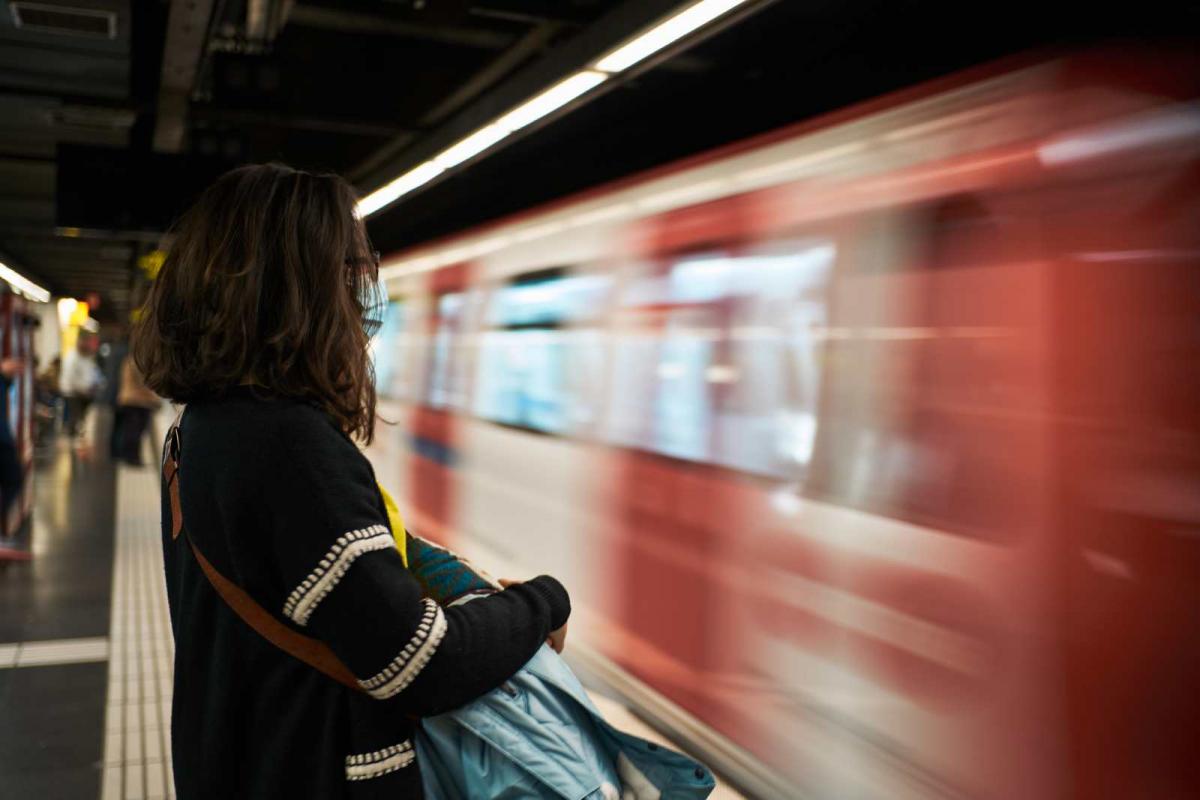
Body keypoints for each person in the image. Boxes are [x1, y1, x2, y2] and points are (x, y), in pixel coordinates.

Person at [131, 163, 571, 799]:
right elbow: (420, 664)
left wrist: (470, 591)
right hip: (306, 771)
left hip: (238, 759)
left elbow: (360, 560)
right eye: (353, 268)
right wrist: (541, 603)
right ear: (299, 286)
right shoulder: (286, 444)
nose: (366, 291)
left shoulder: (201, 426)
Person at [112, 356, 159, 465]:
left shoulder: (128, 361)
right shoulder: (138, 363)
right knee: (135, 431)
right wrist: (154, 399)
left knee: (130, 429)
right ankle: (132, 457)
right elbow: (142, 384)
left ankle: (127, 455)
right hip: (137, 401)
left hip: (128, 399)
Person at [59, 335, 100, 435]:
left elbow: (93, 374)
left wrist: (95, 385)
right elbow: (71, 378)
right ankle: (72, 440)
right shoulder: (72, 358)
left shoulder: (87, 358)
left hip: (84, 392)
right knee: (75, 418)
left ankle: (77, 437)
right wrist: (84, 389)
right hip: (73, 392)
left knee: (81, 418)